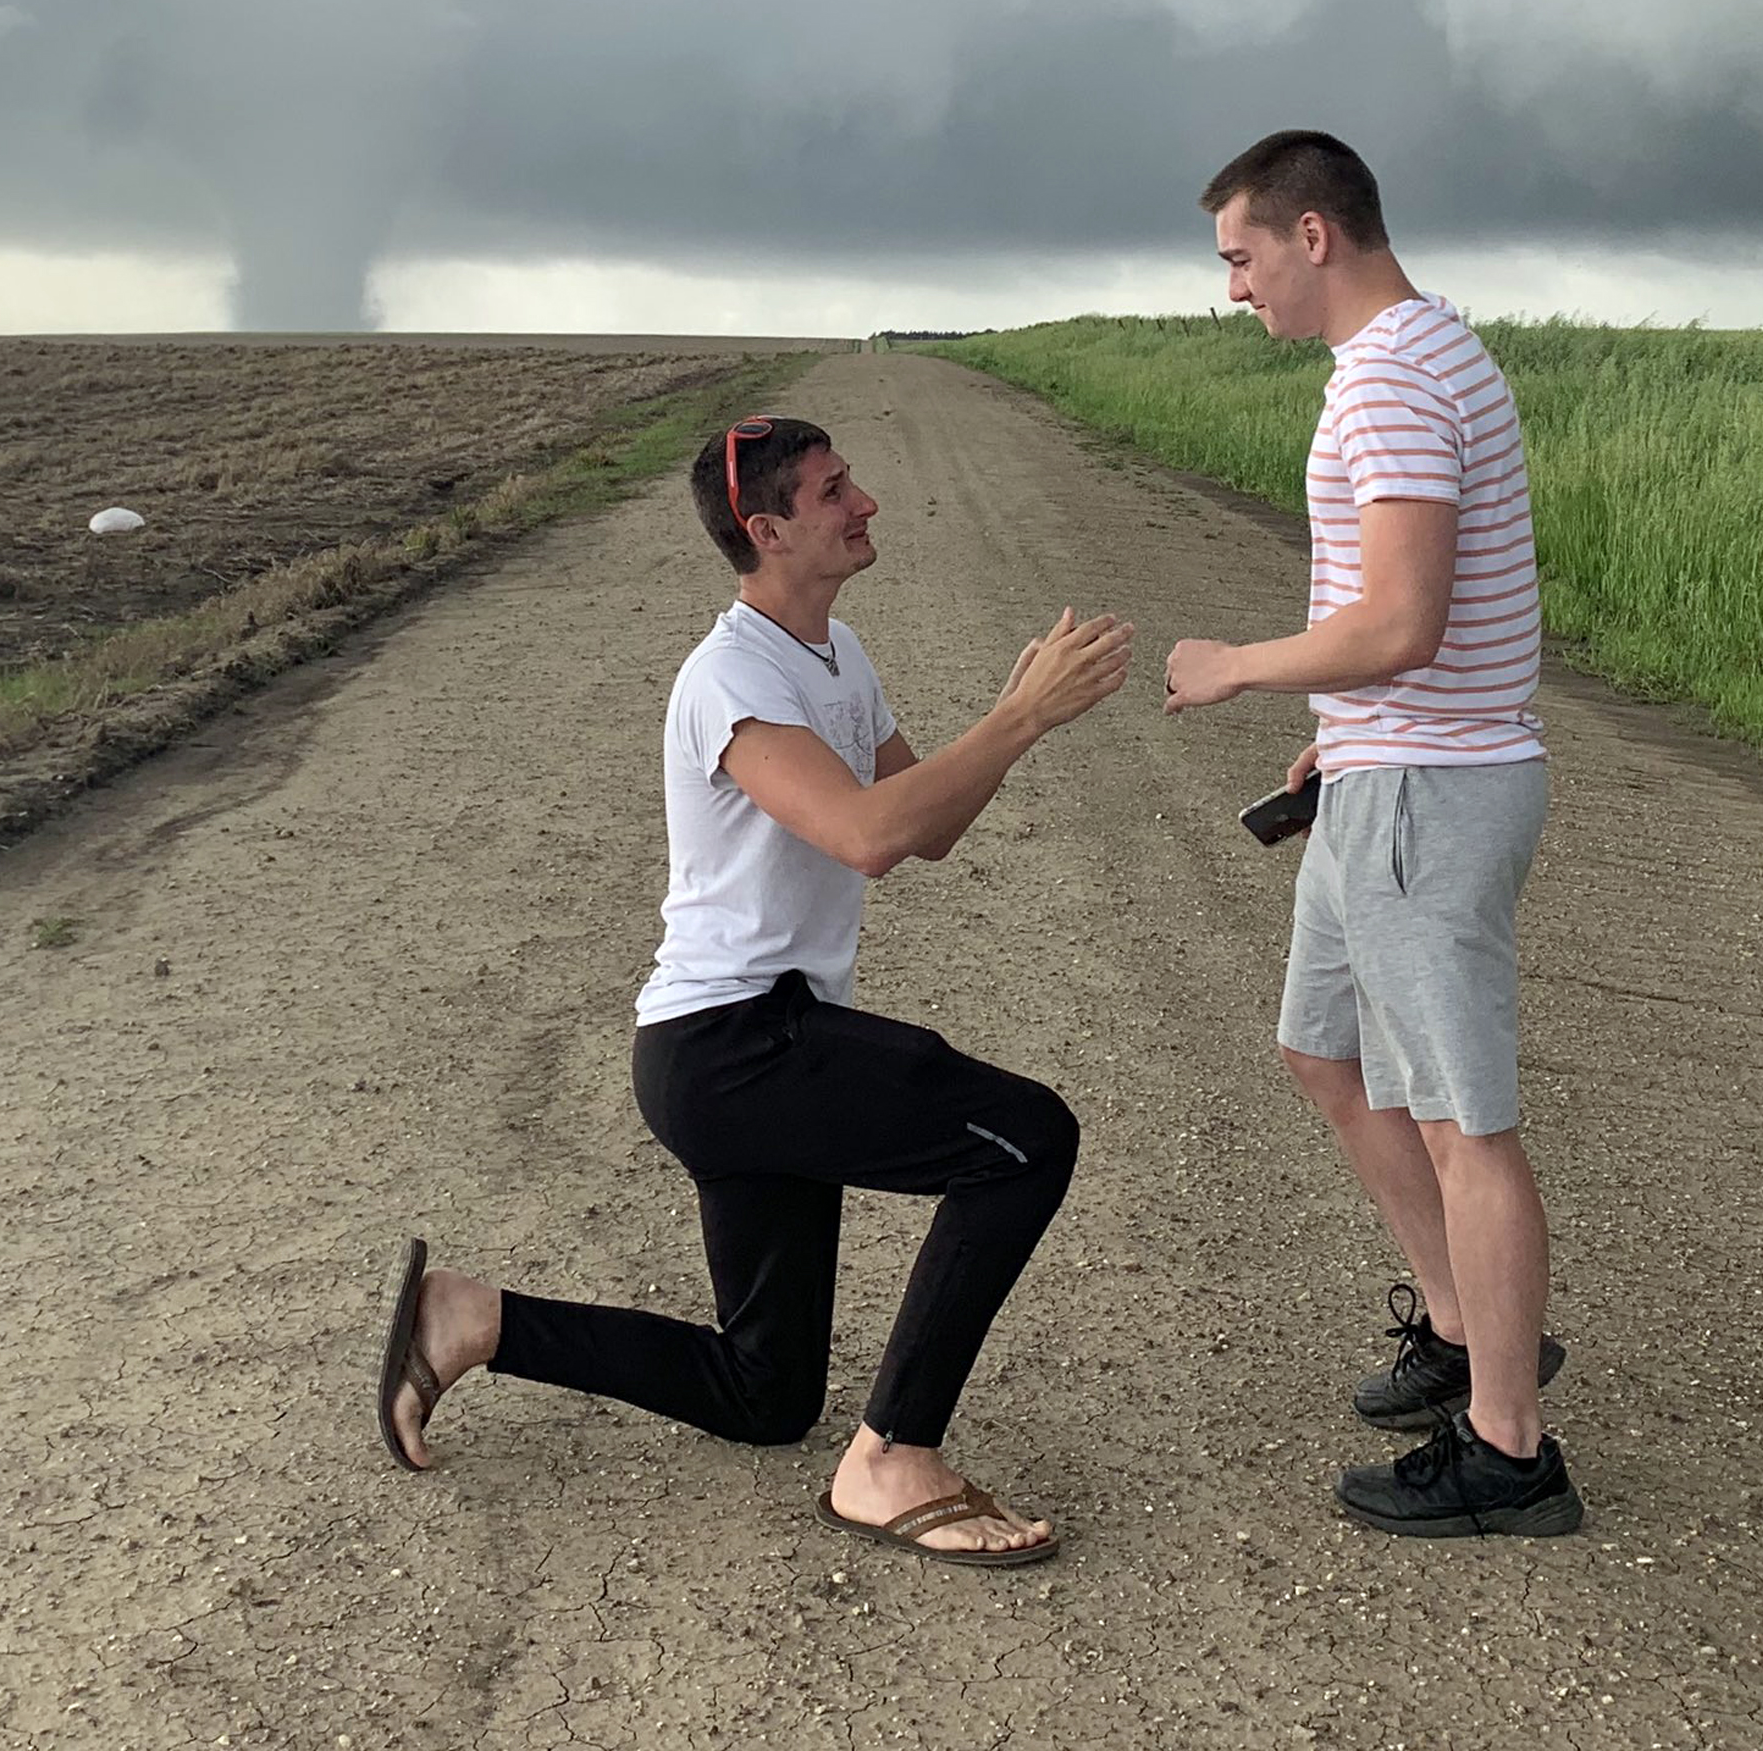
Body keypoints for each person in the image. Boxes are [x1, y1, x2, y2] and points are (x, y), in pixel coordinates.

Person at [378, 413, 1133, 1563]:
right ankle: (890, 1458)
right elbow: (866, 836)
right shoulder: (729, 676)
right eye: (836, 491)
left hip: (758, 1047)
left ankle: (474, 1318)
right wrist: (1018, 713)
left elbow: (921, 824)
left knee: (764, 1392)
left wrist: (1015, 719)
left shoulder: (838, 654)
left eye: (854, 481)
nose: (865, 501)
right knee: (1024, 1138)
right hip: (729, 1045)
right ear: (767, 529)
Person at [1162, 131, 1583, 1540]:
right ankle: (1467, 1336)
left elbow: (1401, 621)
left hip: (1433, 793)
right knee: (1322, 1052)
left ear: (1313, 235)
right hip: (1388, 766)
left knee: (1468, 1123)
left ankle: (1511, 1450)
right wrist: (1339, 730)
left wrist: (1241, 664)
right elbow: (1421, 626)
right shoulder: (1422, 353)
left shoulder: (1393, 380)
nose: (1234, 290)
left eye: (1240, 255)